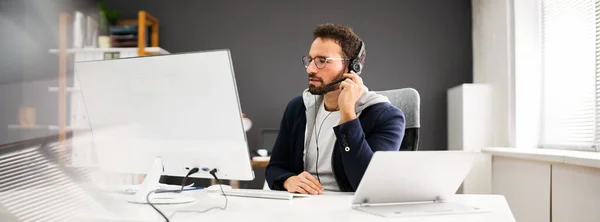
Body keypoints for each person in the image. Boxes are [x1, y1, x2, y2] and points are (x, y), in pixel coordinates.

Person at [265, 23, 406, 194]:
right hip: (302, 207)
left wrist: (347, 114)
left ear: (353, 67)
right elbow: (274, 167)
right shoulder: (298, 108)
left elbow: (366, 184)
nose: (310, 69)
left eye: (322, 61)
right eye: (310, 60)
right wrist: (289, 180)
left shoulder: (386, 117)